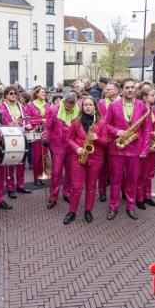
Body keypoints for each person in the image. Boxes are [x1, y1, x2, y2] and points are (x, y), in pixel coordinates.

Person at [105, 78, 151, 220]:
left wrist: (144, 149)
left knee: (132, 179)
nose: (130, 90)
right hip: (117, 149)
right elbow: (105, 126)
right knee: (115, 180)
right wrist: (116, 132)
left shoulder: (142, 106)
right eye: (127, 87)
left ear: (135, 90)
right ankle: (113, 206)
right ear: (122, 90)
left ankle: (130, 206)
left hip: (135, 149)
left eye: (132, 87)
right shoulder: (113, 106)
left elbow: (147, 129)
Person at [63, 97, 107, 225]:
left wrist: (98, 138)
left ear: (95, 106)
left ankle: (88, 210)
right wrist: (76, 148)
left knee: (91, 186)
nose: (88, 107)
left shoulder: (102, 122)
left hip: (96, 158)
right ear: (82, 107)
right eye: (85, 105)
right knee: (76, 186)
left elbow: (105, 142)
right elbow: (68, 139)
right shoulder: (76, 122)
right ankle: (72, 212)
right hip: (79, 157)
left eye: (90, 105)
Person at [45, 92, 78, 209]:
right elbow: (48, 126)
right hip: (58, 145)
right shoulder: (54, 109)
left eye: (72, 106)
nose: (70, 107)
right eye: (68, 105)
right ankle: (53, 197)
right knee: (56, 172)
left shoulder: (78, 109)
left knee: (70, 172)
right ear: (64, 101)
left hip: (72, 146)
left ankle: (67, 193)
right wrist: (46, 138)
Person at [0, 86, 32, 199]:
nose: (13, 95)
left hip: (22, 135)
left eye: (15, 93)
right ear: (6, 95)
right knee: (11, 163)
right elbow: (0, 123)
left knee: (22, 162)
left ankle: (21, 185)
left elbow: (26, 119)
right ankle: (10, 187)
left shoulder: (21, 106)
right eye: (11, 93)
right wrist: (9, 125)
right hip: (10, 137)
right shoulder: (1, 107)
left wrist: (28, 124)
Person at [136, 87, 155, 209]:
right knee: (142, 174)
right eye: (152, 95)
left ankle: (147, 196)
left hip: (153, 145)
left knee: (150, 173)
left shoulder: (153, 109)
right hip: (143, 145)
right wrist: (153, 134)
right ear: (145, 97)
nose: (154, 97)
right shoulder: (140, 109)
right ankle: (139, 198)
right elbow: (139, 130)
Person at [97, 82, 120, 202]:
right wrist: (104, 135)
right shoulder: (101, 103)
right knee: (103, 167)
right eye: (105, 89)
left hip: (119, 140)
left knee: (116, 168)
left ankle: (119, 192)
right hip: (105, 139)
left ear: (116, 91)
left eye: (108, 89)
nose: (105, 91)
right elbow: (100, 121)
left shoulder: (123, 102)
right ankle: (102, 191)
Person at [25, 86, 52, 186]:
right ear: (36, 94)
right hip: (35, 133)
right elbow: (27, 119)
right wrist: (40, 120)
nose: (44, 94)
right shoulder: (30, 105)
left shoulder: (47, 105)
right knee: (37, 156)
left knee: (44, 156)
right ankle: (36, 177)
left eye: (44, 92)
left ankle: (41, 176)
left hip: (46, 132)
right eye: (41, 92)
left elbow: (50, 118)